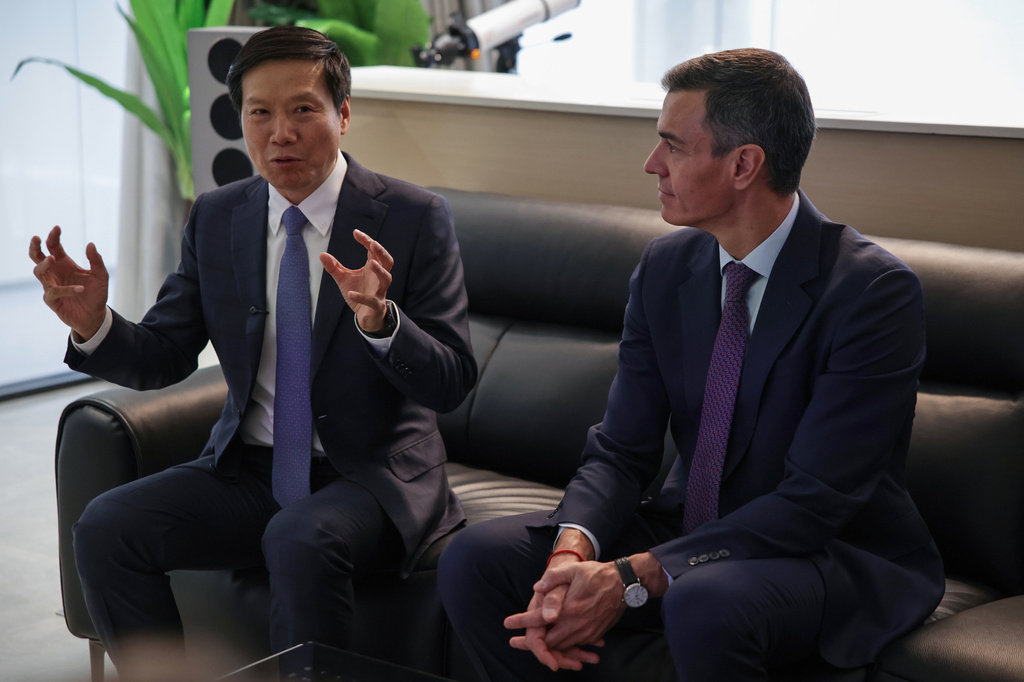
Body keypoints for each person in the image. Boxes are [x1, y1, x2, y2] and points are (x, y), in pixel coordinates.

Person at [437, 48, 944, 681]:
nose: (652, 164)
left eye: (672, 146)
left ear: (743, 164)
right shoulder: (667, 269)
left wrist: (631, 576)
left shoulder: (872, 293)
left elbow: (815, 502)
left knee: (705, 600)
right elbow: (621, 450)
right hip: (690, 526)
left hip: (826, 551)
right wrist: (573, 552)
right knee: (477, 559)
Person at [29, 25, 476, 669]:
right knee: (106, 526)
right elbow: (165, 354)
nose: (280, 133)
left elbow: (453, 380)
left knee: (297, 537)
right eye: (259, 113)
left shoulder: (411, 217)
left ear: (342, 115)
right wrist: (94, 322)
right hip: (252, 469)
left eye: (302, 110)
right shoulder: (217, 216)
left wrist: (381, 322)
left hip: (371, 476)